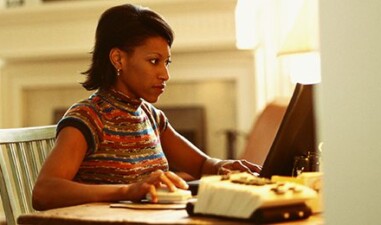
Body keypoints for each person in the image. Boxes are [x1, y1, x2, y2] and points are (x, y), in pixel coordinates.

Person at [32, 3, 261, 211]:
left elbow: (200, 164)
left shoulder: (152, 117)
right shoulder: (87, 118)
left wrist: (225, 166)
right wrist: (127, 191)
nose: (165, 74)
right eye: (154, 61)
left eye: (167, 62)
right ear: (118, 59)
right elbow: (44, 192)